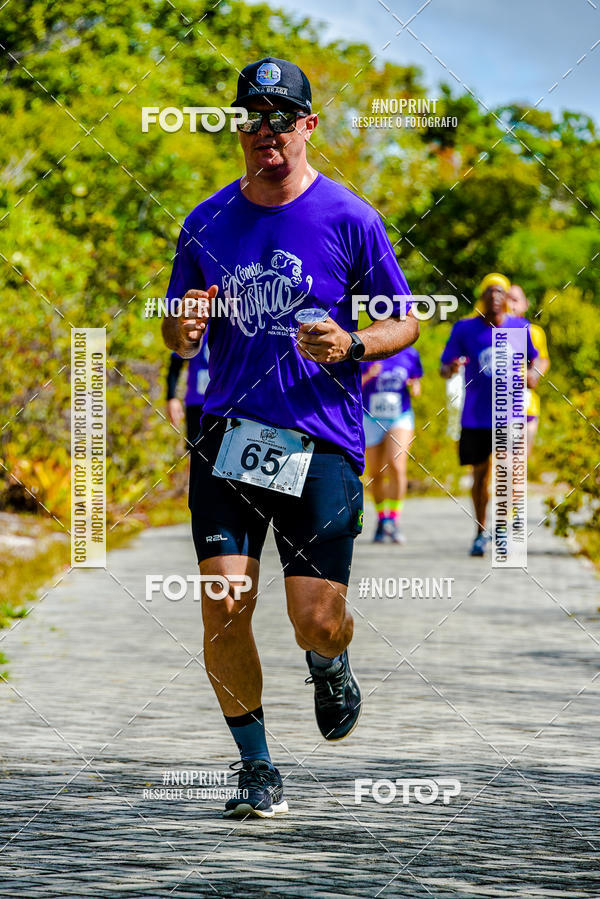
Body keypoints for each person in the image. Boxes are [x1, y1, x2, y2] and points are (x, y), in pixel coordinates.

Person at [161, 57, 419, 818]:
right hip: (228, 436)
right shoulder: (206, 220)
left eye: (281, 117)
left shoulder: (350, 217)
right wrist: (182, 328)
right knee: (223, 605)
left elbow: (405, 321)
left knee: (317, 619)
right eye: (252, 117)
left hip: (321, 441)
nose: (265, 131)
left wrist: (354, 343)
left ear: (307, 125)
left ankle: (329, 662)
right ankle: (256, 766)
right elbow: (176, 329)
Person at [440, 276, 538, 556]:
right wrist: (451, 369)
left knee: (506, 470)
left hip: (510, 413)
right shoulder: (465, 329)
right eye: (489, 292)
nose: (495, 297)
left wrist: (534, 373)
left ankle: (502, 530)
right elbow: (444, 366)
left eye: (500, 292)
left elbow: (535, 359)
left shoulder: (520, 327)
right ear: (482, 297)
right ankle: (481, 531)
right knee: (480, 476)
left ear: (507, 298)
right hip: (476, 416)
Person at [361, 348, 423, 544]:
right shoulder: (367, 349)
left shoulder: (410, 353)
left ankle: (393, 520)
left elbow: (416, 382)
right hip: (370, 417)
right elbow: (352, 386)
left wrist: (415, 386)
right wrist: (369, 375)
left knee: (396, 465)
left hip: (400, 416)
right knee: (376, 473)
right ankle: (382, 519)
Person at [506, 284, 550, 455]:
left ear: (526, 304)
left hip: (526, 403)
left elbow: (543, 360)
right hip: (498, 403)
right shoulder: (492, 330)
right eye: (507, 299)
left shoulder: (535, 332)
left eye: (515, 300)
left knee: (520, 457)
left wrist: (533, 376)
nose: (511, 304)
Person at [165, 338, 210, 447]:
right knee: (196, 450)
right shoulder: (196, 332)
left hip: (225, 404)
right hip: (197, 403)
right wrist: (172, 398)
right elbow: (175, 365)